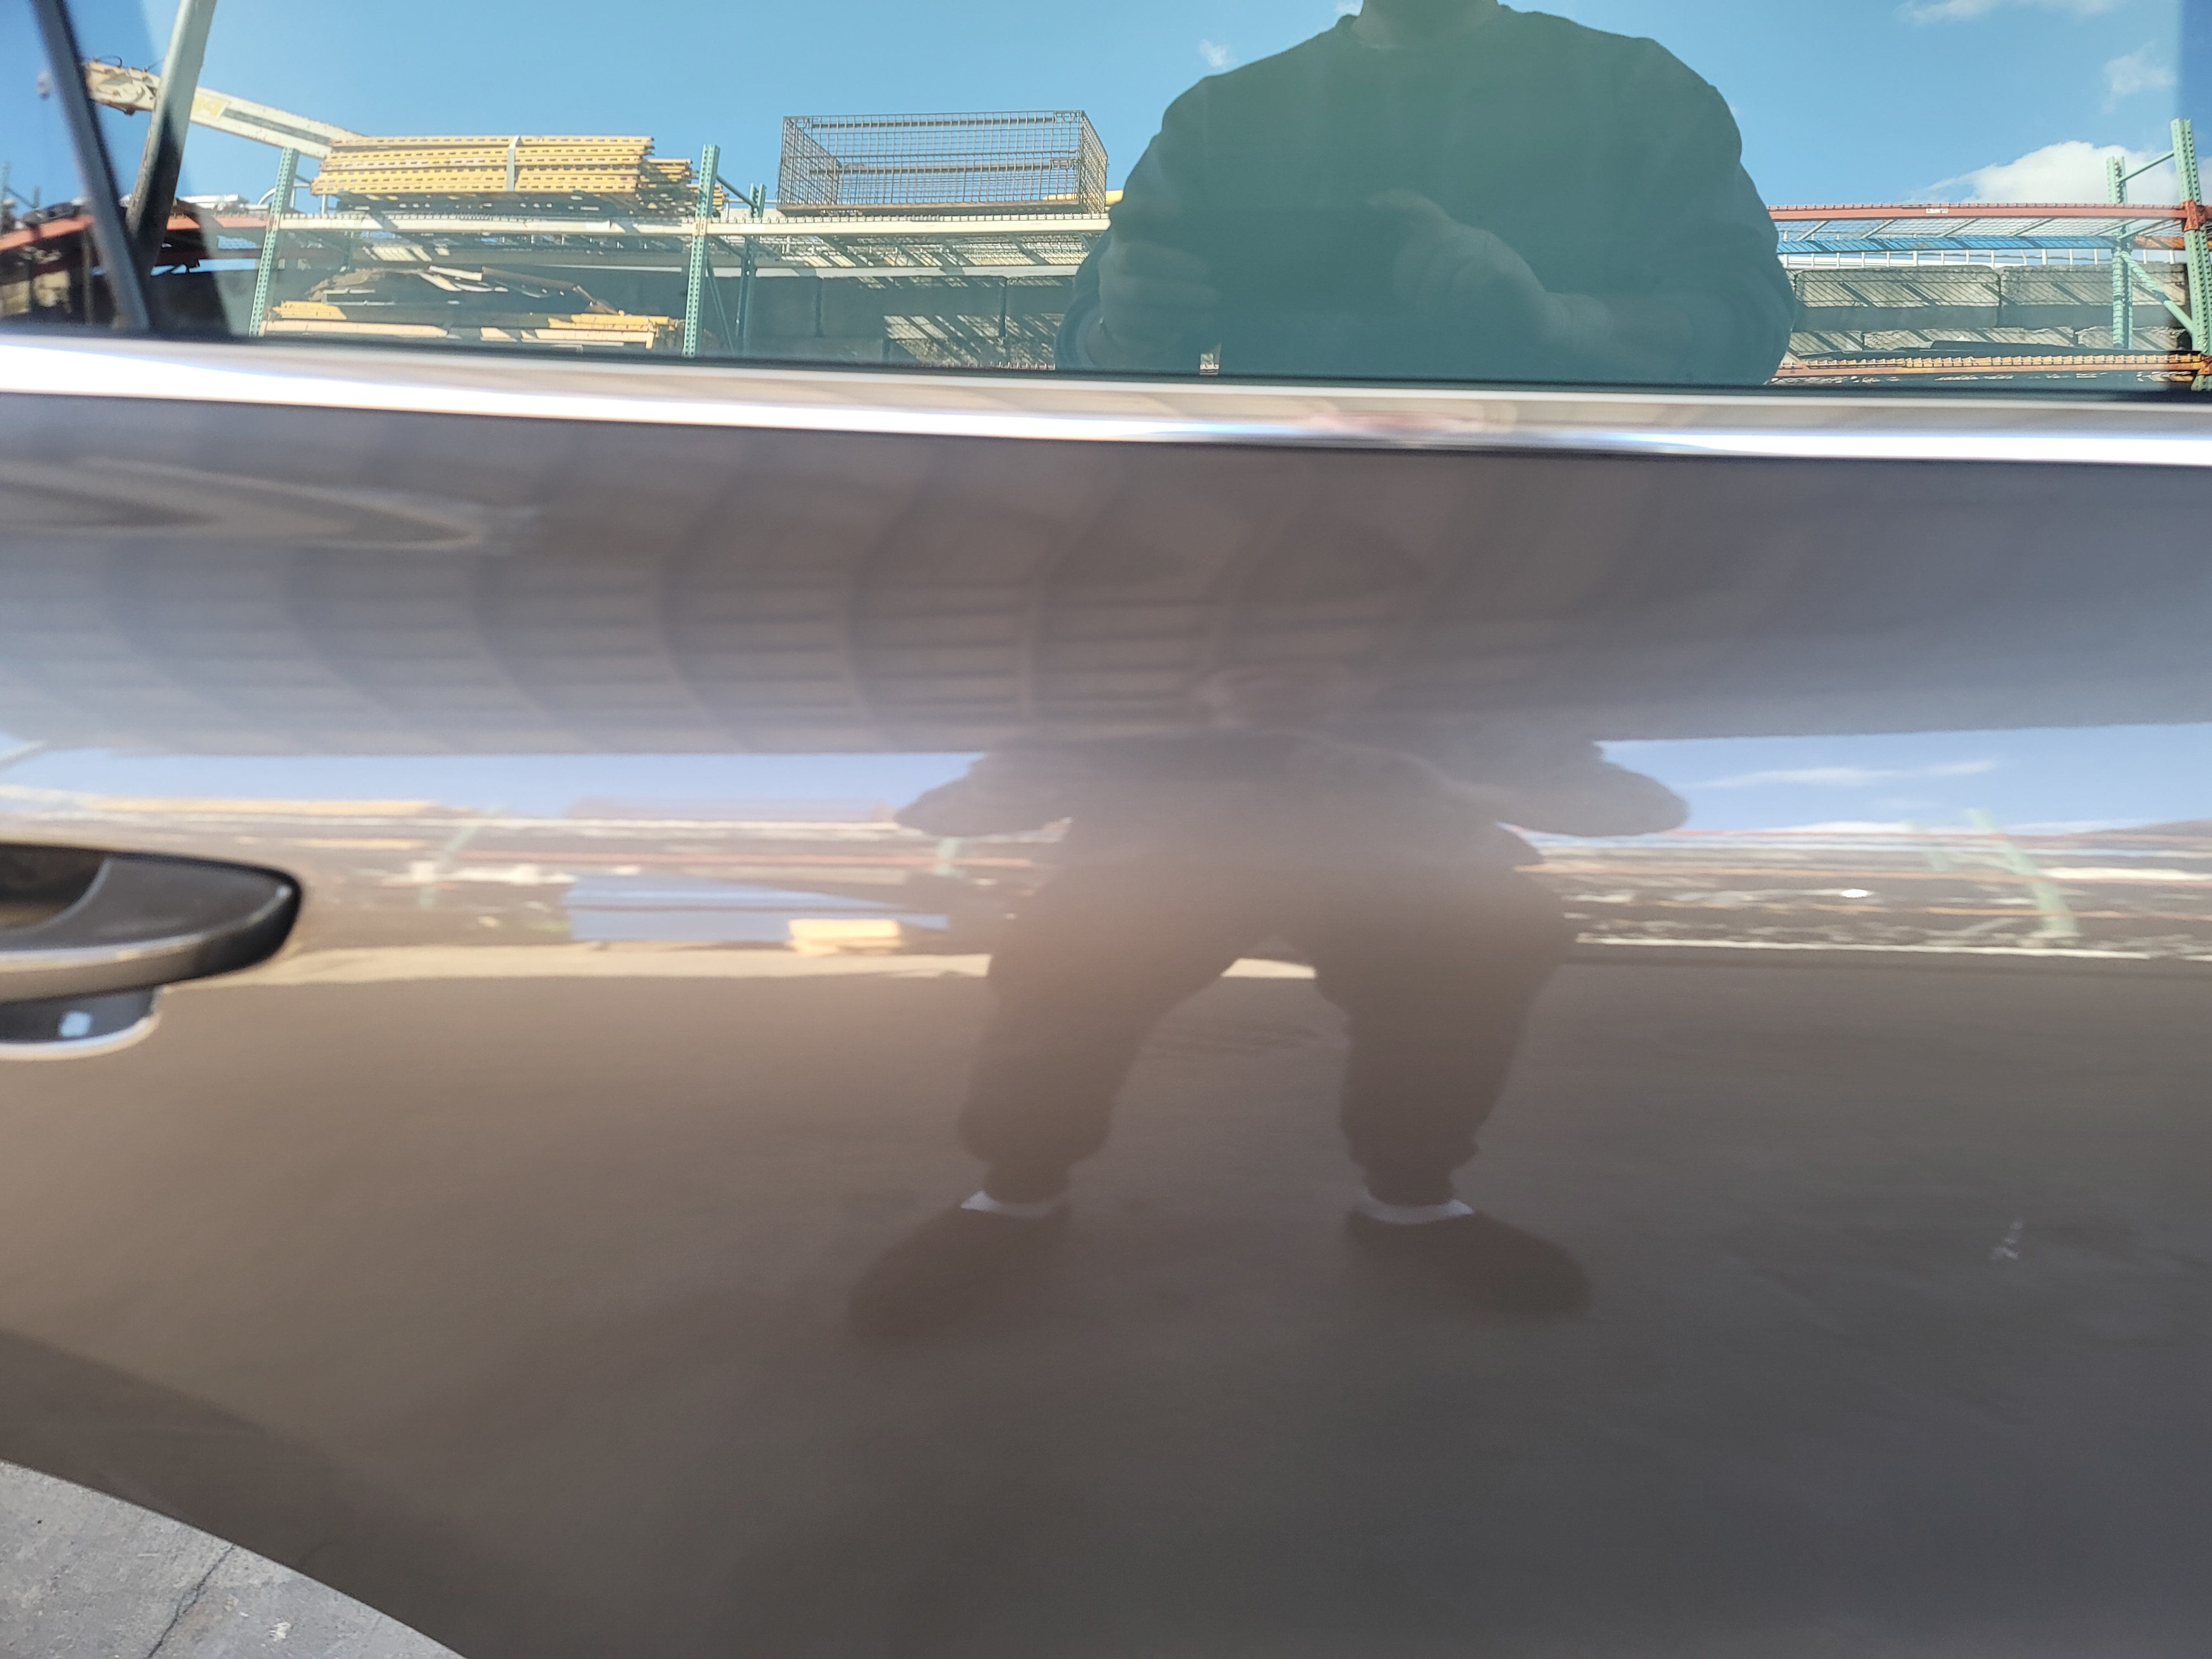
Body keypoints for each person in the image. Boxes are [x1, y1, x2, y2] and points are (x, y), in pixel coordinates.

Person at [847, 664, 1688, 1338]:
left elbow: (1645, 806)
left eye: (1317, 643)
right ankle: (1016, 1193)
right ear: (1202, 671)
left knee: (1484, 939)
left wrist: (1450, 787)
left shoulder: (1459, 725)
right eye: (1246, 648)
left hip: (1408, 880)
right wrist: (1004, 796)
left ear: (1374, 664)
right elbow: (935, 813)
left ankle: (1412, 1201)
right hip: (1157, 880)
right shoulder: (1112, 722)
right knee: (1066, 960)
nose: (1276, 664)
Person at [1059, 0, 1792, 386]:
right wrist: (1127, 329)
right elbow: (1092, 342)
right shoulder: (1217, 117)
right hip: (1301, 547)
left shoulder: (1641, 90)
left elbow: (1745, 319)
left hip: (1566, 546)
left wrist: (1559, 317)